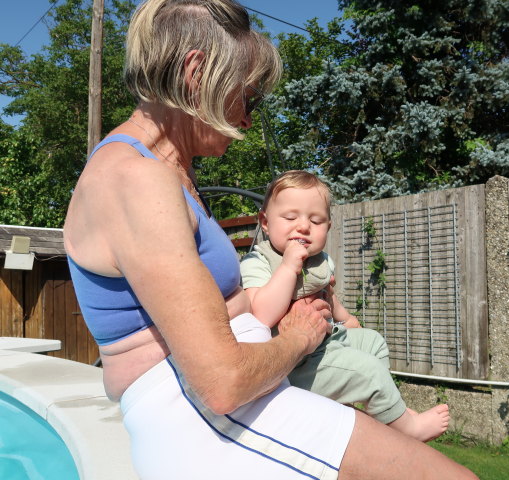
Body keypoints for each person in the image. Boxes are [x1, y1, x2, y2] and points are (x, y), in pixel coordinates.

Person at [63, 0, 478, 479]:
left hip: (225, 409)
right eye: (250, 97)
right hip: (205, 419)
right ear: (196, 72)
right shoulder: (138, 180)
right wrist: (301, 336)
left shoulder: (165, 171)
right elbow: (223, 380)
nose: (246, 120)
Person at [241, 170, 450, 442]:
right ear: (265, 223)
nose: (303, 226)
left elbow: (328, 295)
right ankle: (409, 429)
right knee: (369, 372)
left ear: (327, 227)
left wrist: (347, 318)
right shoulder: (259, 260)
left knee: (373, 342)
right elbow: (262, 314)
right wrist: (289, 267)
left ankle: (383, 410)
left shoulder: (321, 260)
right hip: (296, 363)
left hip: (328, 342)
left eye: (316, 221)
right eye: (291, 218)